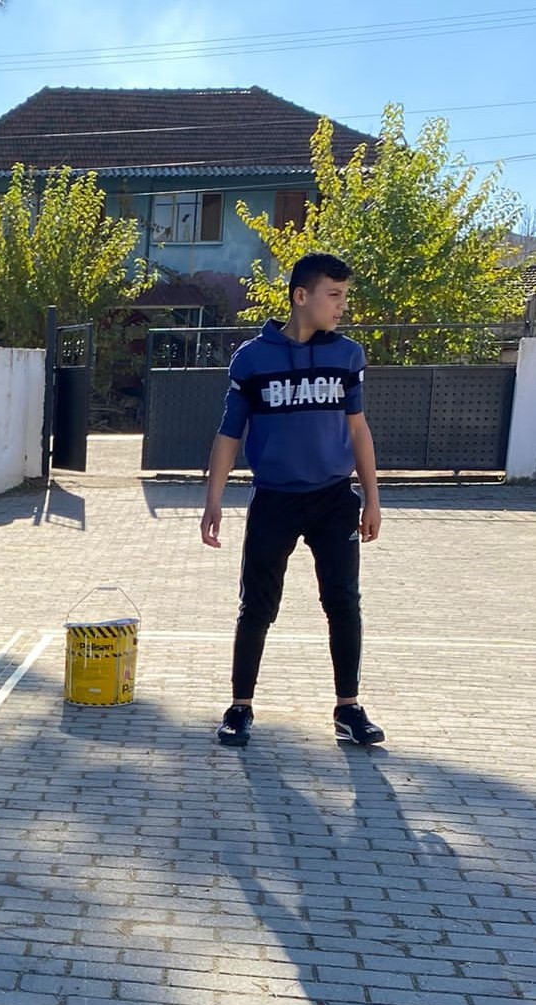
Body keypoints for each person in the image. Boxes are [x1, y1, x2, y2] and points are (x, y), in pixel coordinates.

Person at [200, 252, 384, 749]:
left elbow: (358, 430)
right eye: (335, 295)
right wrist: (212, 499)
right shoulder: (252, 358)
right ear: (301, 296)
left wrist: (372, 497)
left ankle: (349, 709)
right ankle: (240, 707)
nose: (342, 306)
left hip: (333, 500)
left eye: (345, 296)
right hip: (274, 500)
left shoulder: (347, 355)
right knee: (256, 605)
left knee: (343, 602)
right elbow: (228, 434)